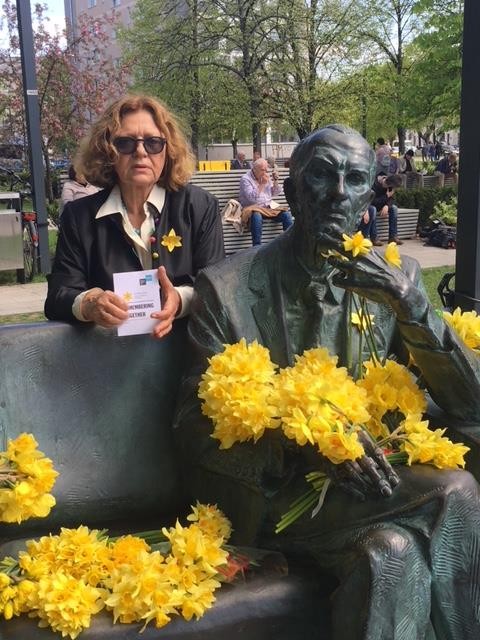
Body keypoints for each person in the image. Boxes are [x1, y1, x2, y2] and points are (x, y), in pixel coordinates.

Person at [174, 124, 480, 640]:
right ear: (292, 191)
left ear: (369, 196)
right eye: (323, 175)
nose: (339, 192)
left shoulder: (391, 280)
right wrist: (303, 448)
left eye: (356, 179)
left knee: (391, 555)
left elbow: (470, 403)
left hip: (375, 489)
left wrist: (414, 309)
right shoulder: (225, 290)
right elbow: (192, 429)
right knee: (456, 491)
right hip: (274, 497)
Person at [45, 94, 224, 339]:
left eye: (153, 143)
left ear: (168, 150)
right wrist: (89, 303)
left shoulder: (200, 207)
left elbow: (219, 288)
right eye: (125, 143)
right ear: (108, 151)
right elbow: (57, 297)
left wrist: (180, 299)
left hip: (184, 357)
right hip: (110, 362)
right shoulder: (79, 217)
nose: (140, 152)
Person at [238, 157, 293, 245]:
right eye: (263, 170)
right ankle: (256, 247)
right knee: (257, 216)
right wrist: (262, 184)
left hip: (268, 207)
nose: (265, 172)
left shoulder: (264, 176)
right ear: (255, 169)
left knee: (286, 215)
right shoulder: (245, 179)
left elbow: (275, 193)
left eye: (266, 170)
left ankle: (291, 243)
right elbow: (251, 198)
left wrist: (275, 180)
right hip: (253, 208)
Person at [371, 173, 404, 245]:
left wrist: (387, 206)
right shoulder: (374, 184)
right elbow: (372, 201)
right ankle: (374, 237)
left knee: (394, 208)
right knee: (373, 209)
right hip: (371, 206)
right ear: (389, 184)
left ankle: (393, 237)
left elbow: (391, 199)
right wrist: (386, 196)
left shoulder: (390, 186)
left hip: (382, 206)